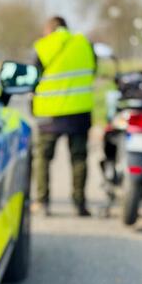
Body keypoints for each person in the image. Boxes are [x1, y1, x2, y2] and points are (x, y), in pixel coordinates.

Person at [32, 16, 96, 217]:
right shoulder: (84, 44)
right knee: (79, 158)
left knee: (43, 158)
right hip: (79, 112)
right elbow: (93, 71)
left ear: (50, 30)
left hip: (50, 113)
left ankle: (42, 202)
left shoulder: (43, 46)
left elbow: (33, 78)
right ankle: (80, 203)